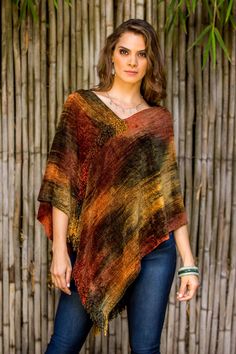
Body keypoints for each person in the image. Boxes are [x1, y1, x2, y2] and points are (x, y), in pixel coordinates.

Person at [37, 18, 199, 354]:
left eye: (141, 54)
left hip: (155, 250)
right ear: (112, 54)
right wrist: (59, 253)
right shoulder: (80, 106)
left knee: (146, 349)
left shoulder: (158, 120)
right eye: (125, 51)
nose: (132, 61)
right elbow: (61, 179)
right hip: (94, 247)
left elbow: (169, 197)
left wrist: (188, 263)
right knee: (63, 344)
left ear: (149, 62)